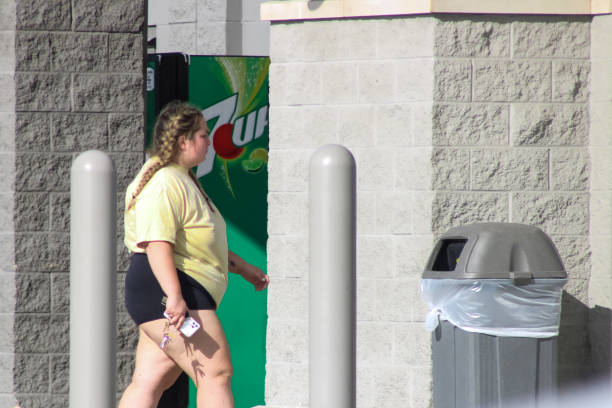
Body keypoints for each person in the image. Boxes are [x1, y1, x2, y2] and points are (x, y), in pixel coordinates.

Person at [118, 101, 269, 408]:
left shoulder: (181, 177)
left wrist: (244, 268)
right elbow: (157, 243)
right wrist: (174, 297)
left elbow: (201, 241)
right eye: (203, 134)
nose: (209, 140)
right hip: (171, 290)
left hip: (169, 290)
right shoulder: (164, 182)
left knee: (152, 378)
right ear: (183, 141)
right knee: (216, 372)